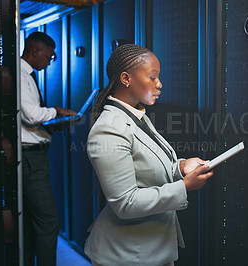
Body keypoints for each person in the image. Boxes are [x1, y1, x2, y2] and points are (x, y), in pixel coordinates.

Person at [85, 44, 214, 266]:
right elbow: (125, 203)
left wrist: (181, 167)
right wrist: (183, 186)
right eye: (152, 77)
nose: (159, 84)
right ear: (126, 78)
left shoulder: (137, 116)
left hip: (154, 247)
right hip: (126, 254)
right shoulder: (109, 129)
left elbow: (146, 170)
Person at [20, 32, 77, 266]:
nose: (49, 62)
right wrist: (57, 111)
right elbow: (31, 115)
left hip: (33, 157)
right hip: (30, 160)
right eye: (49, 56)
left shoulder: (27, 75)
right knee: (49, 221)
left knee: (32, 222)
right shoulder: (21, 76)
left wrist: (51, 129)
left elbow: (25, 121)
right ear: (35, 51)